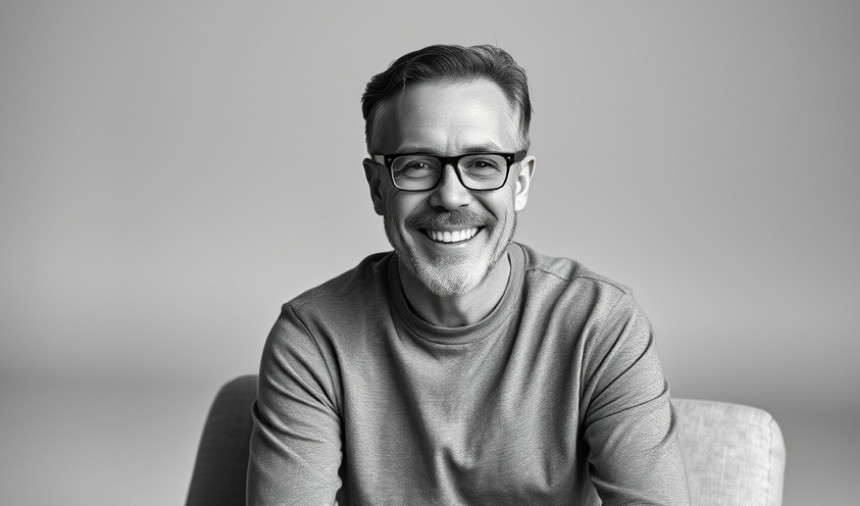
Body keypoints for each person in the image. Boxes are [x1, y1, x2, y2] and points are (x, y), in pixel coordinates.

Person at [247, 44, 691, 505]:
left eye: (481, 164)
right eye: (417, 165)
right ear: (378, 188)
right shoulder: (313, 338)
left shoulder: (599, 324)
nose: (451, 197)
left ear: (519, 183)